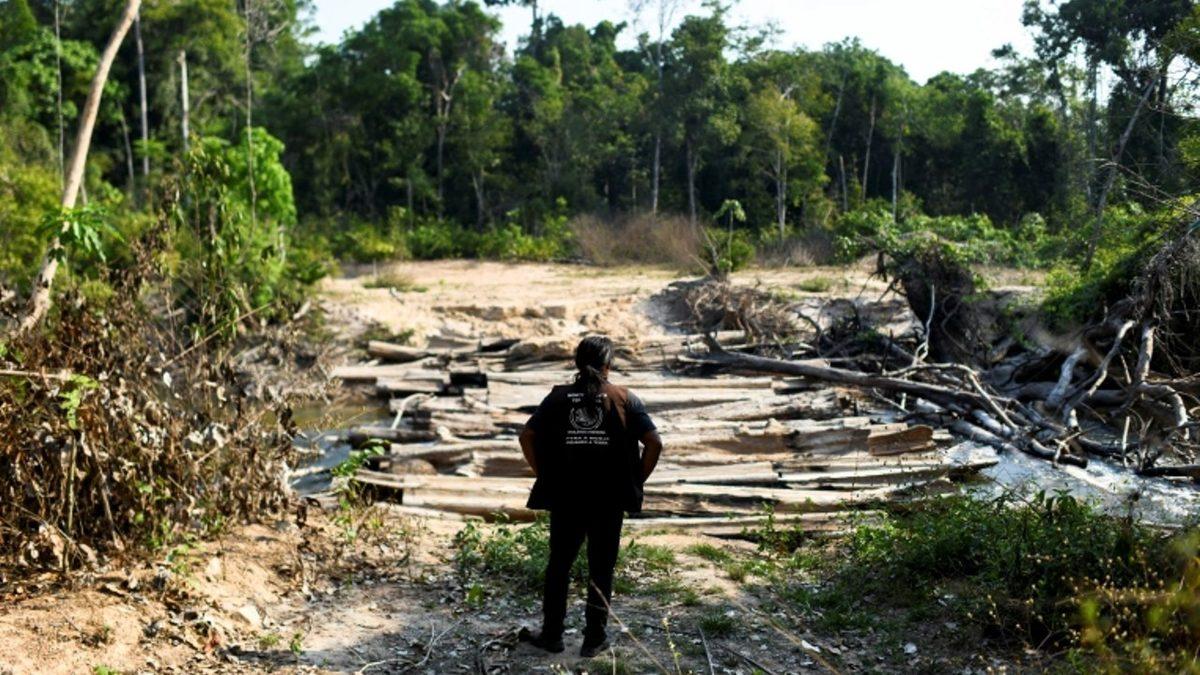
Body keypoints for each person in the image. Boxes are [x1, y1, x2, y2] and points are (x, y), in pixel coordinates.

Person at [516, 335, 664, 657]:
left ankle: (552, 635)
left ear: (576, 363)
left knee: (559, 565)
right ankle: (594, 639)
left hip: (566, 497)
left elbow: (527, 435)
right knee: (601, 569)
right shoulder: (624, 398)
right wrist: (635, 480)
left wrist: (544, 473)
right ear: (608, 365)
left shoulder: (557, 398)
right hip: (608, 499)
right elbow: (654, 443)